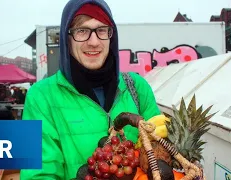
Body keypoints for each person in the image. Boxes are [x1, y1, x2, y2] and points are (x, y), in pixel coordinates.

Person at [20, 0, 161, 179]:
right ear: (67, 39)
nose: (93, 42)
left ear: (112, 36)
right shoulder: (40, 97)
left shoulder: (137, 87)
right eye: (82, 31)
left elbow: (158, 152)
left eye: (101, 30)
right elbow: (38, 174)